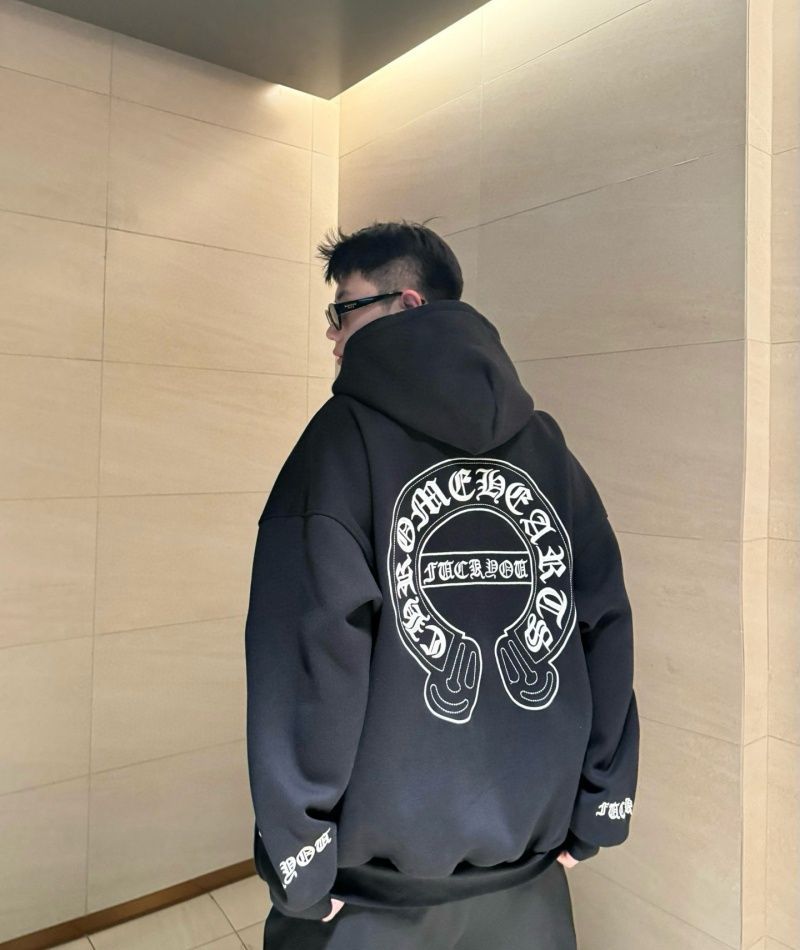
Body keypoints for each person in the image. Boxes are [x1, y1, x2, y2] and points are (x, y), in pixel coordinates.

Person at [244, 219, 640, 949]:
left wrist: (298, 857)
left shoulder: (336, 446)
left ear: (408, 304)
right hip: (530, 886)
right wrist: (603, 803)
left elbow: (304, 659)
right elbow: (605, 623)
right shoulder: (547, 446)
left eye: (344, 308)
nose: (331, 332)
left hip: (375, 904)